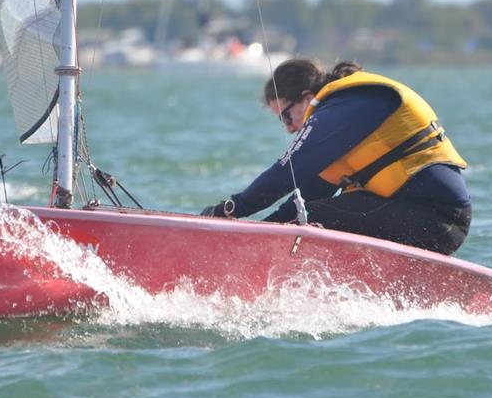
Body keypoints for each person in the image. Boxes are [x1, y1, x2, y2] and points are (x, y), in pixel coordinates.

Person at [201, 59, 472, 256]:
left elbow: (287, 171)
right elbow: (304, 198)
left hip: (439, 219)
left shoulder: (351, 104)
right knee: (308, 212)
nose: (289, 128)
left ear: (307, 98)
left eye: (286, 115)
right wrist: (253, 235)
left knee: (315, 216)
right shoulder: (341, 121)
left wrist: (232, 208)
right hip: (416, 217)